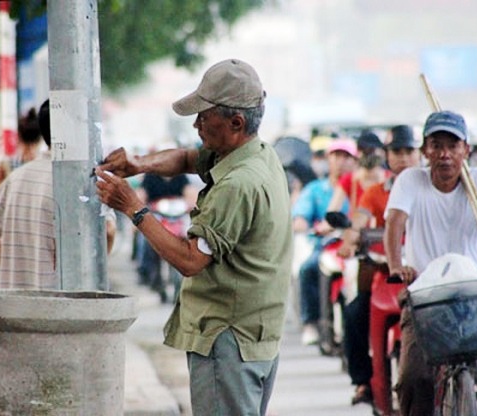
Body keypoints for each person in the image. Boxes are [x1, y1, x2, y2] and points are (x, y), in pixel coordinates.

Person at [95, 58, 293, 416]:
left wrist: (133, 208)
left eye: (204, 116)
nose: (197, 123)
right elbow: (188, 158)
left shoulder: (237, 184)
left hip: (229, 336)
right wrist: (140, 163)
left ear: (236, 123)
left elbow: (190, 260)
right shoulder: (257, 155)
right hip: (254, 335)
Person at [384, 111, 477, 415]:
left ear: (466, 150)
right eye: (436, 145)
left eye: (453, 145)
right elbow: (394, 224)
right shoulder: (410, 181)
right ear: (425, 151)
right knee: (412, 377)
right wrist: (397, 265)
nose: (445, 154)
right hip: (425, 293)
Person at [0, 100, 116, 289]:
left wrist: (14, 270)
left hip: (16, 307)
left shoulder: (16, 178)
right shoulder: (86, 183)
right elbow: (109, 231)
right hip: (64, 308)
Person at [339, 125, 422, 408]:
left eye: (409, 151)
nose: (403, 157)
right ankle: (364, 380)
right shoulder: (374, 192)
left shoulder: (430, 187)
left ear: (419, 153)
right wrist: (349, 240)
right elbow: (359, 219)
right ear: (387, 155)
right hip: (385, 273)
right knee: (353, 314)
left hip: (425, 274)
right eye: (396, 151)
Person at [292, 139, 357, 345]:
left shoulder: (359, 185)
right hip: (327, 245)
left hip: (356, 246)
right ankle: (311, 321)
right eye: (336, 156)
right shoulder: (314, 189)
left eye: (346, 156)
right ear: (328, 159)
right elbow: (300, 217)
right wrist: (304, 224)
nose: (341, 161)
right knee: (308, 269)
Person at [135, 168, 197, 302]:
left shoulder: (181, 176)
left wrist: (192, 204)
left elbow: (190, 194)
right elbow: (141, 195)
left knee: (191, 235)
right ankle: (144, 270)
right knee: (144, 240)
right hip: (156, 216)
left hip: (177, 216)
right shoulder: (150, 177)